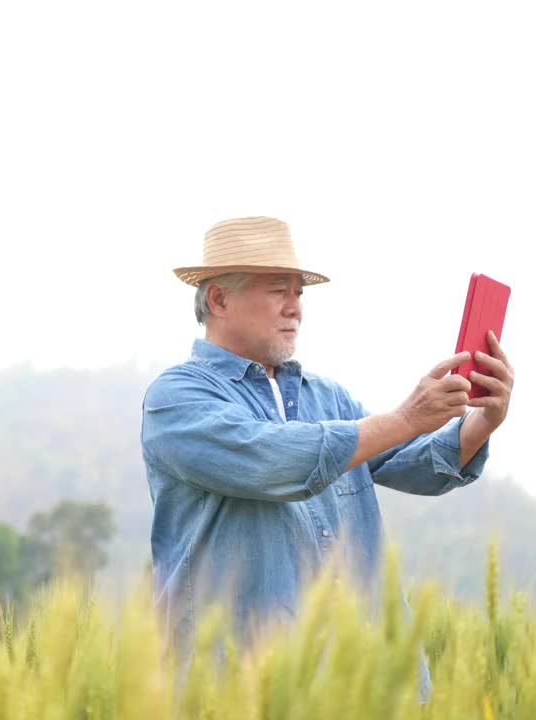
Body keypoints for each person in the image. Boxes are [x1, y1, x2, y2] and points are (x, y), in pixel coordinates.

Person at [140, 216, 515, 700]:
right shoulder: (177, 398)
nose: (296, 308)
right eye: (280, 290)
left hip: (355, 687)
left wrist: (483, 418)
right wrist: (405, 418)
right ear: (219, 299)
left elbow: (420, 463)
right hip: (236, 691)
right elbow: (274, 462)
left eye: (299, 293)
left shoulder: (329, 398)